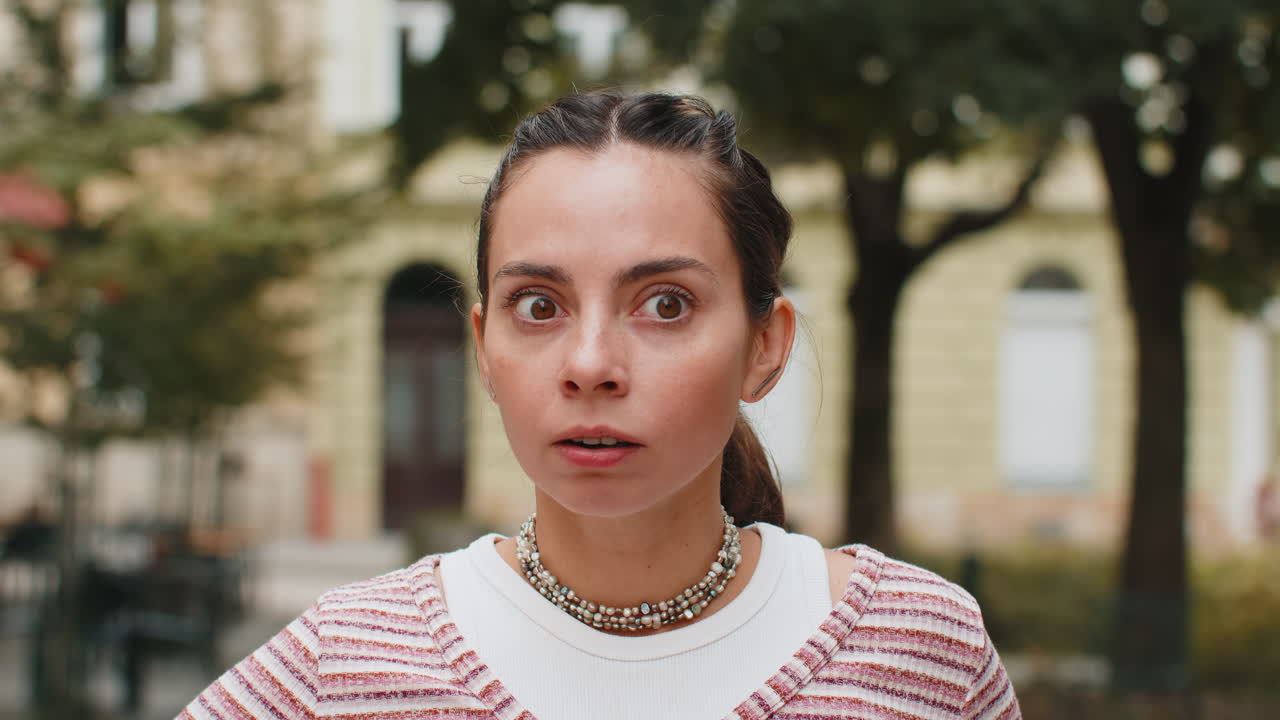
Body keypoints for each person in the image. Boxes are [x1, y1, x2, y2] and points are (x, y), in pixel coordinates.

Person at [178, 90, 1020, 720]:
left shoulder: (915, 652)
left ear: (765, 346)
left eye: (665, 304)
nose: (590, 366)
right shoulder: (355, 661)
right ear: (483, 348)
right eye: (538, 306)